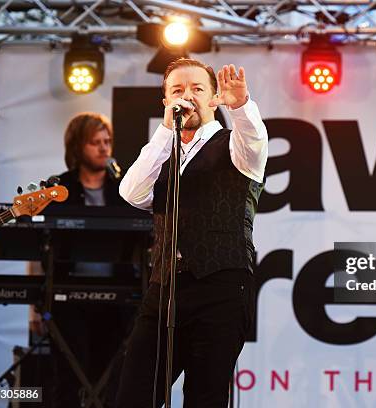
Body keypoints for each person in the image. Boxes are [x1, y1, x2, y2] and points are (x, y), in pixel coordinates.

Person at [116, 58, 267, 407]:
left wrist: (242, 106)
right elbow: (132, 193)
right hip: (165, 289)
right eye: (177, 90)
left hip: (220, 287)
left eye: (197, 89)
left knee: (204, 398)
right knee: (134, 395)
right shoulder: (161, 153)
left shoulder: (235, 146)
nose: (188, 96)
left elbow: (255, 142)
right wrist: (165, 131)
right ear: (166, 101)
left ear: (214, 97)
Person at [29, 112, 135, 407]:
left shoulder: (124, 188)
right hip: (67, 296)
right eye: (95, 142)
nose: (104, 148)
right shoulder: (57, 188)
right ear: (77, 147)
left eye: (107, 141)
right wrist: (33, 308)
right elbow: (39, 243)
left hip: (118, 299)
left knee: (113, 378)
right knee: (68, 378)